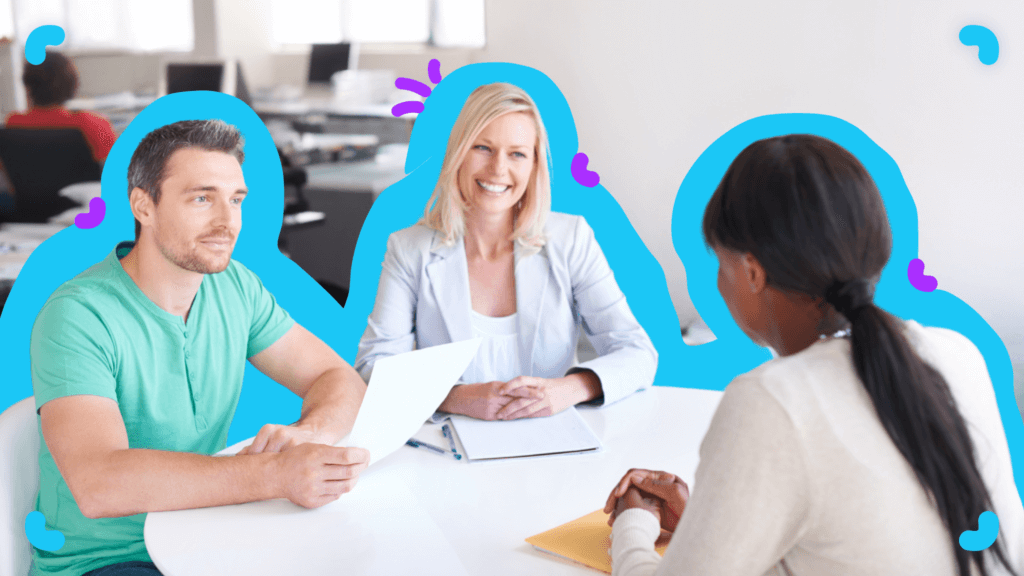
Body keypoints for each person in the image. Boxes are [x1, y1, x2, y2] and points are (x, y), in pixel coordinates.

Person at [604, 135, 1023, 575]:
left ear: (751, 271)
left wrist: (634, 525)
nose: (718, 284)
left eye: (719, 265)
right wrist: (707, 526)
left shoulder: (772, 401)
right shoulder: (958, 354)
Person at [30, 120, 369, 576]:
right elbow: (99, 484)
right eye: (202, 198)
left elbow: (337, 378)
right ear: (143, 206)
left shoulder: (235, 287)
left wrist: (314, 433)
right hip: (110, 562)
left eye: (235, 200)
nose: (227, 223)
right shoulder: (78, 315)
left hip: (205, 538)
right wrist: (276, 475)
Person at [356, 82, 656, 421]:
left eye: (517, 153)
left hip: (553, 443)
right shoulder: (409, 248)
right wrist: (456, 397)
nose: (498, 169)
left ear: (533, 165)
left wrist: (569, 389)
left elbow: (638, 353)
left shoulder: (571, 239)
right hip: (449, 449)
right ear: (459, 153)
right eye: (483, 148)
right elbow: (373, 367)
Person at [5, 50, 116, 164]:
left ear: (27, 85)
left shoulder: (13, 123)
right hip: (82, 181)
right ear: (72, 84)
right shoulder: (93, 124)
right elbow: (118, 171)